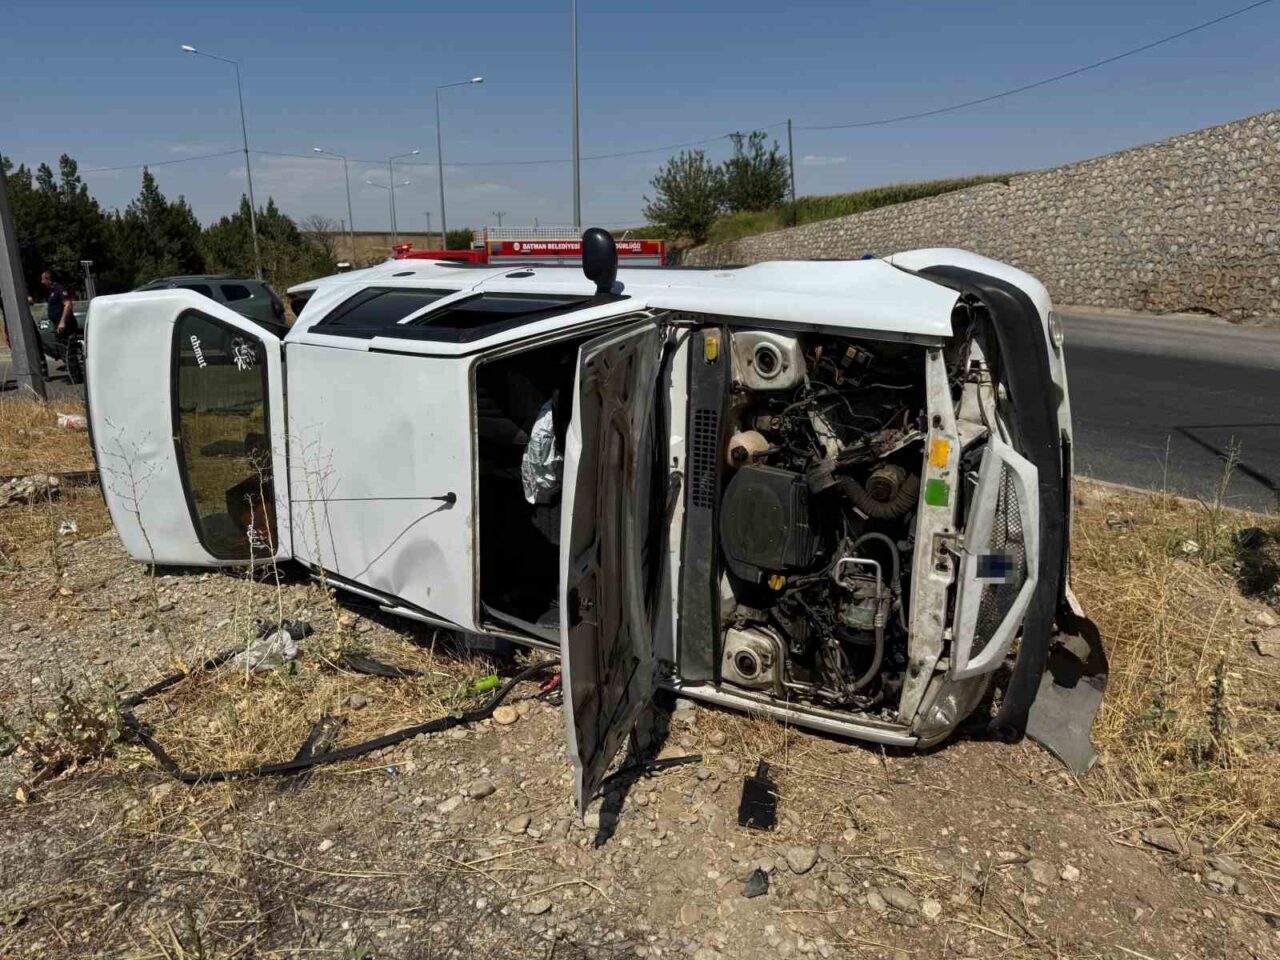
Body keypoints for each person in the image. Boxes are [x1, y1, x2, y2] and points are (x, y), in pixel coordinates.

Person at [41, 270, 82, 382]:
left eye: (43, 279)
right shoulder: (51, 291)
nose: (42, 282)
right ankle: (72, 375)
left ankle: (75, 377)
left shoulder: (59, 289)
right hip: (58, 325)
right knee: (62, 350)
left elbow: (68, 305)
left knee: (68, 350)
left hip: (66, 326)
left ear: (48, 279)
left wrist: (62, 321)